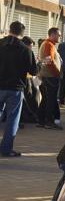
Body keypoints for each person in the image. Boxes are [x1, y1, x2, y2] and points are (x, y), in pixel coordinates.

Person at [0, 21, 38, 157]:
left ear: (10, 29)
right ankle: (6, 149)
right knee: (12, 119)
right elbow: (33, 70)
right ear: (22, 33)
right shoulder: (25, 49)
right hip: (15, 88)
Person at [37, 27, 63, 130]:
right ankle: (49, 122)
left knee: (46, 99)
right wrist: (57, 73)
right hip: (50, 77)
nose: (60, 37)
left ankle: (41, 120)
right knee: (50, 100)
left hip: (45, 76)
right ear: (52, 34)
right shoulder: (49, 44)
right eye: (58, 35)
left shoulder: (47, 44)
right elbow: (50, 61)